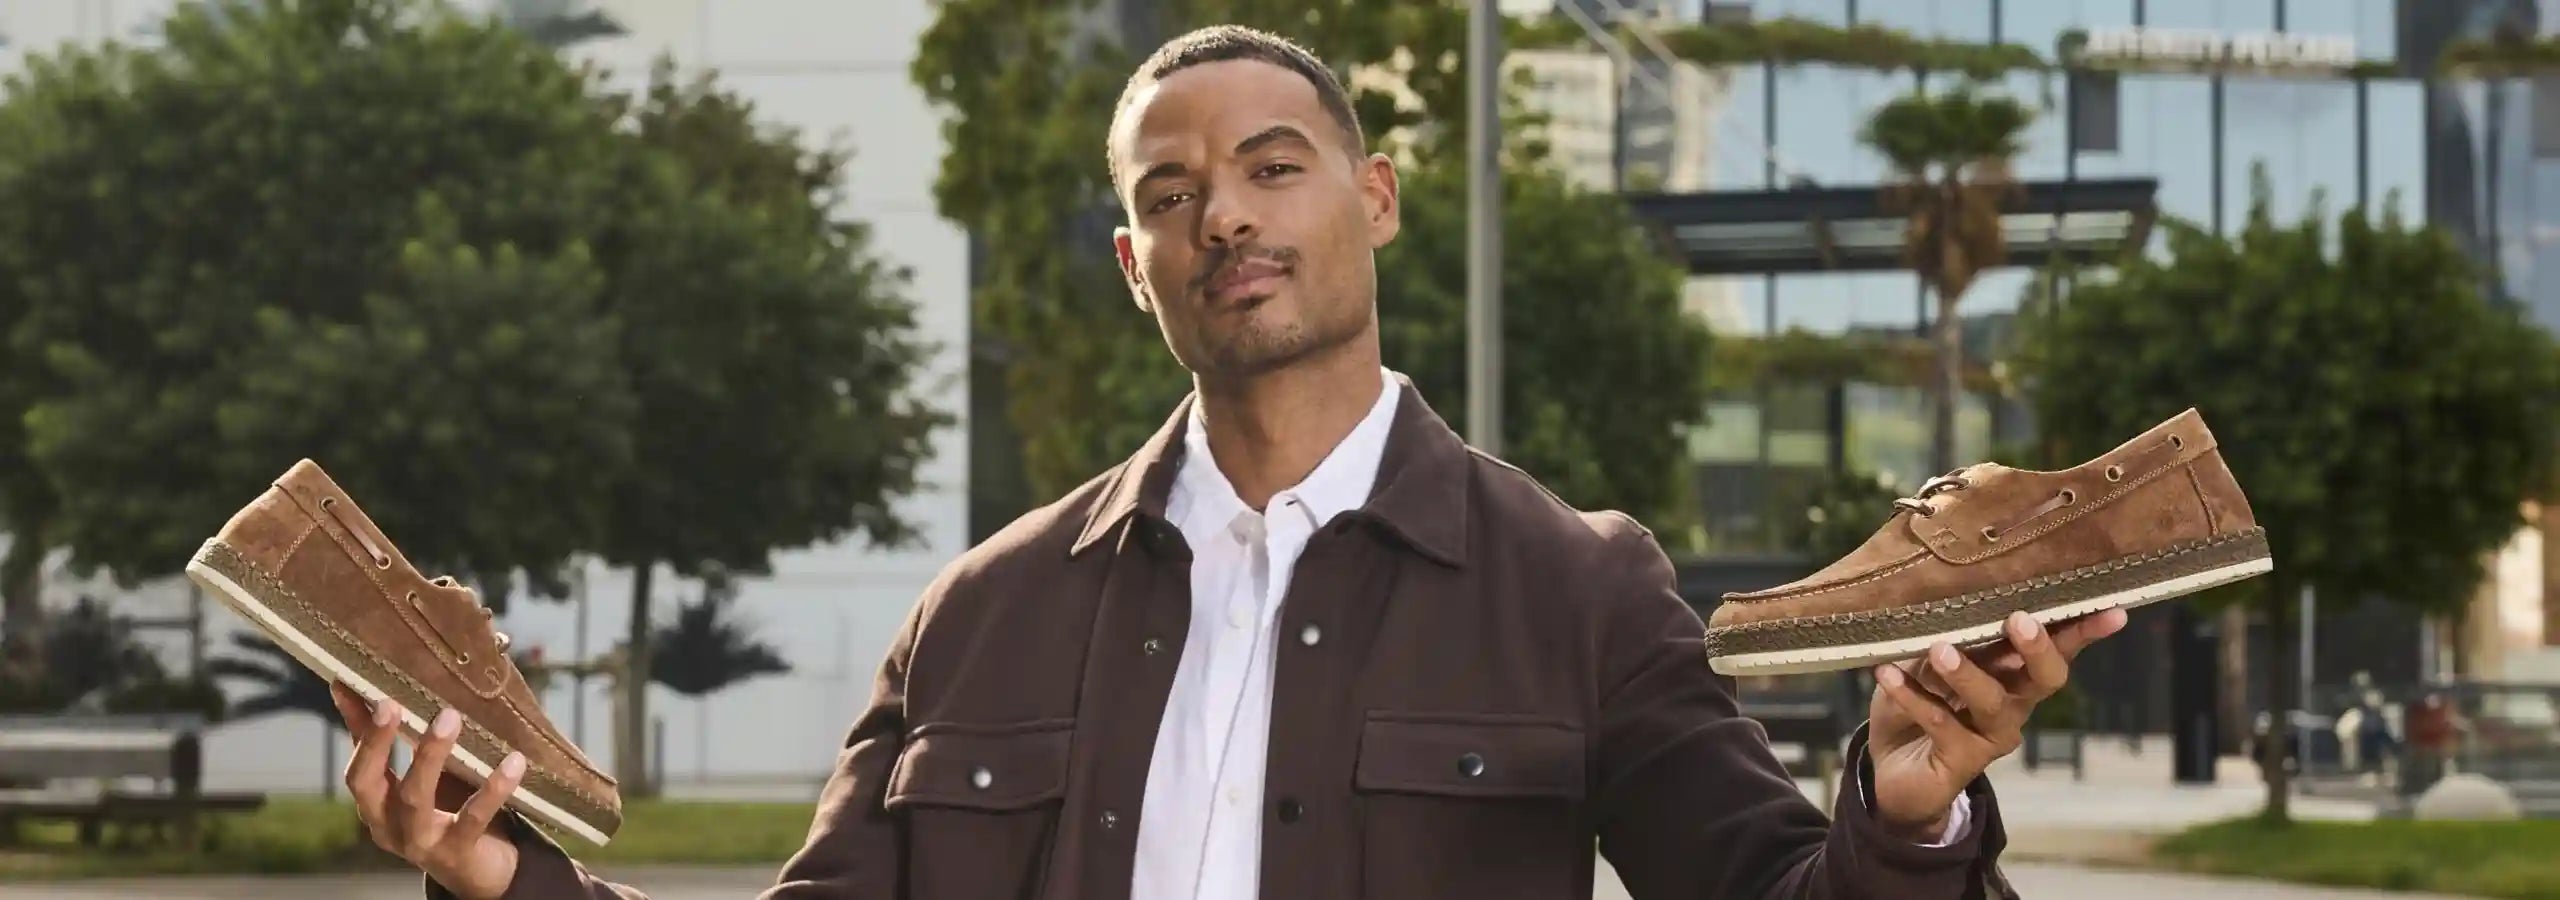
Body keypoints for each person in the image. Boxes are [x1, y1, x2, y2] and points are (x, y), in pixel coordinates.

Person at [332, 24, 2125, 900]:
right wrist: (502, 875)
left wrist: (1905, 810)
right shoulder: (987, 610)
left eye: (1276, 167)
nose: (1226, 219)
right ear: (1136, 267)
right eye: (1169, 196)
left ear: (1377, 200)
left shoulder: (1578, 585)